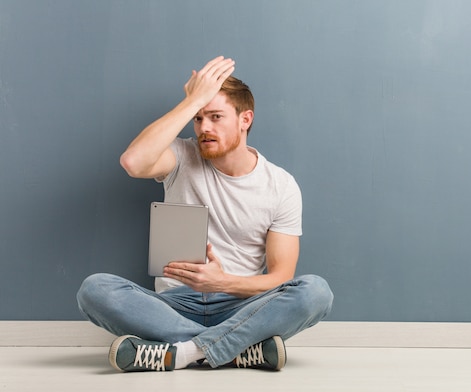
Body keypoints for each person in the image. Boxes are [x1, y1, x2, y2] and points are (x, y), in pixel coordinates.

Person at [76, 56, 333, 372]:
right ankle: (236, 351)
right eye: (198, 118)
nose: (204, 128)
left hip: (241, 306)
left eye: (215, 116)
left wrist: (222, 281)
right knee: (94, 289)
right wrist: (192, 100)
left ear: (245, 119)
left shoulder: (280, 186)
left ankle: (183, 353)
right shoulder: (181, 156)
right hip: (174, 304)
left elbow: (280, 278)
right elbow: (133, 162)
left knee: (316, 292)